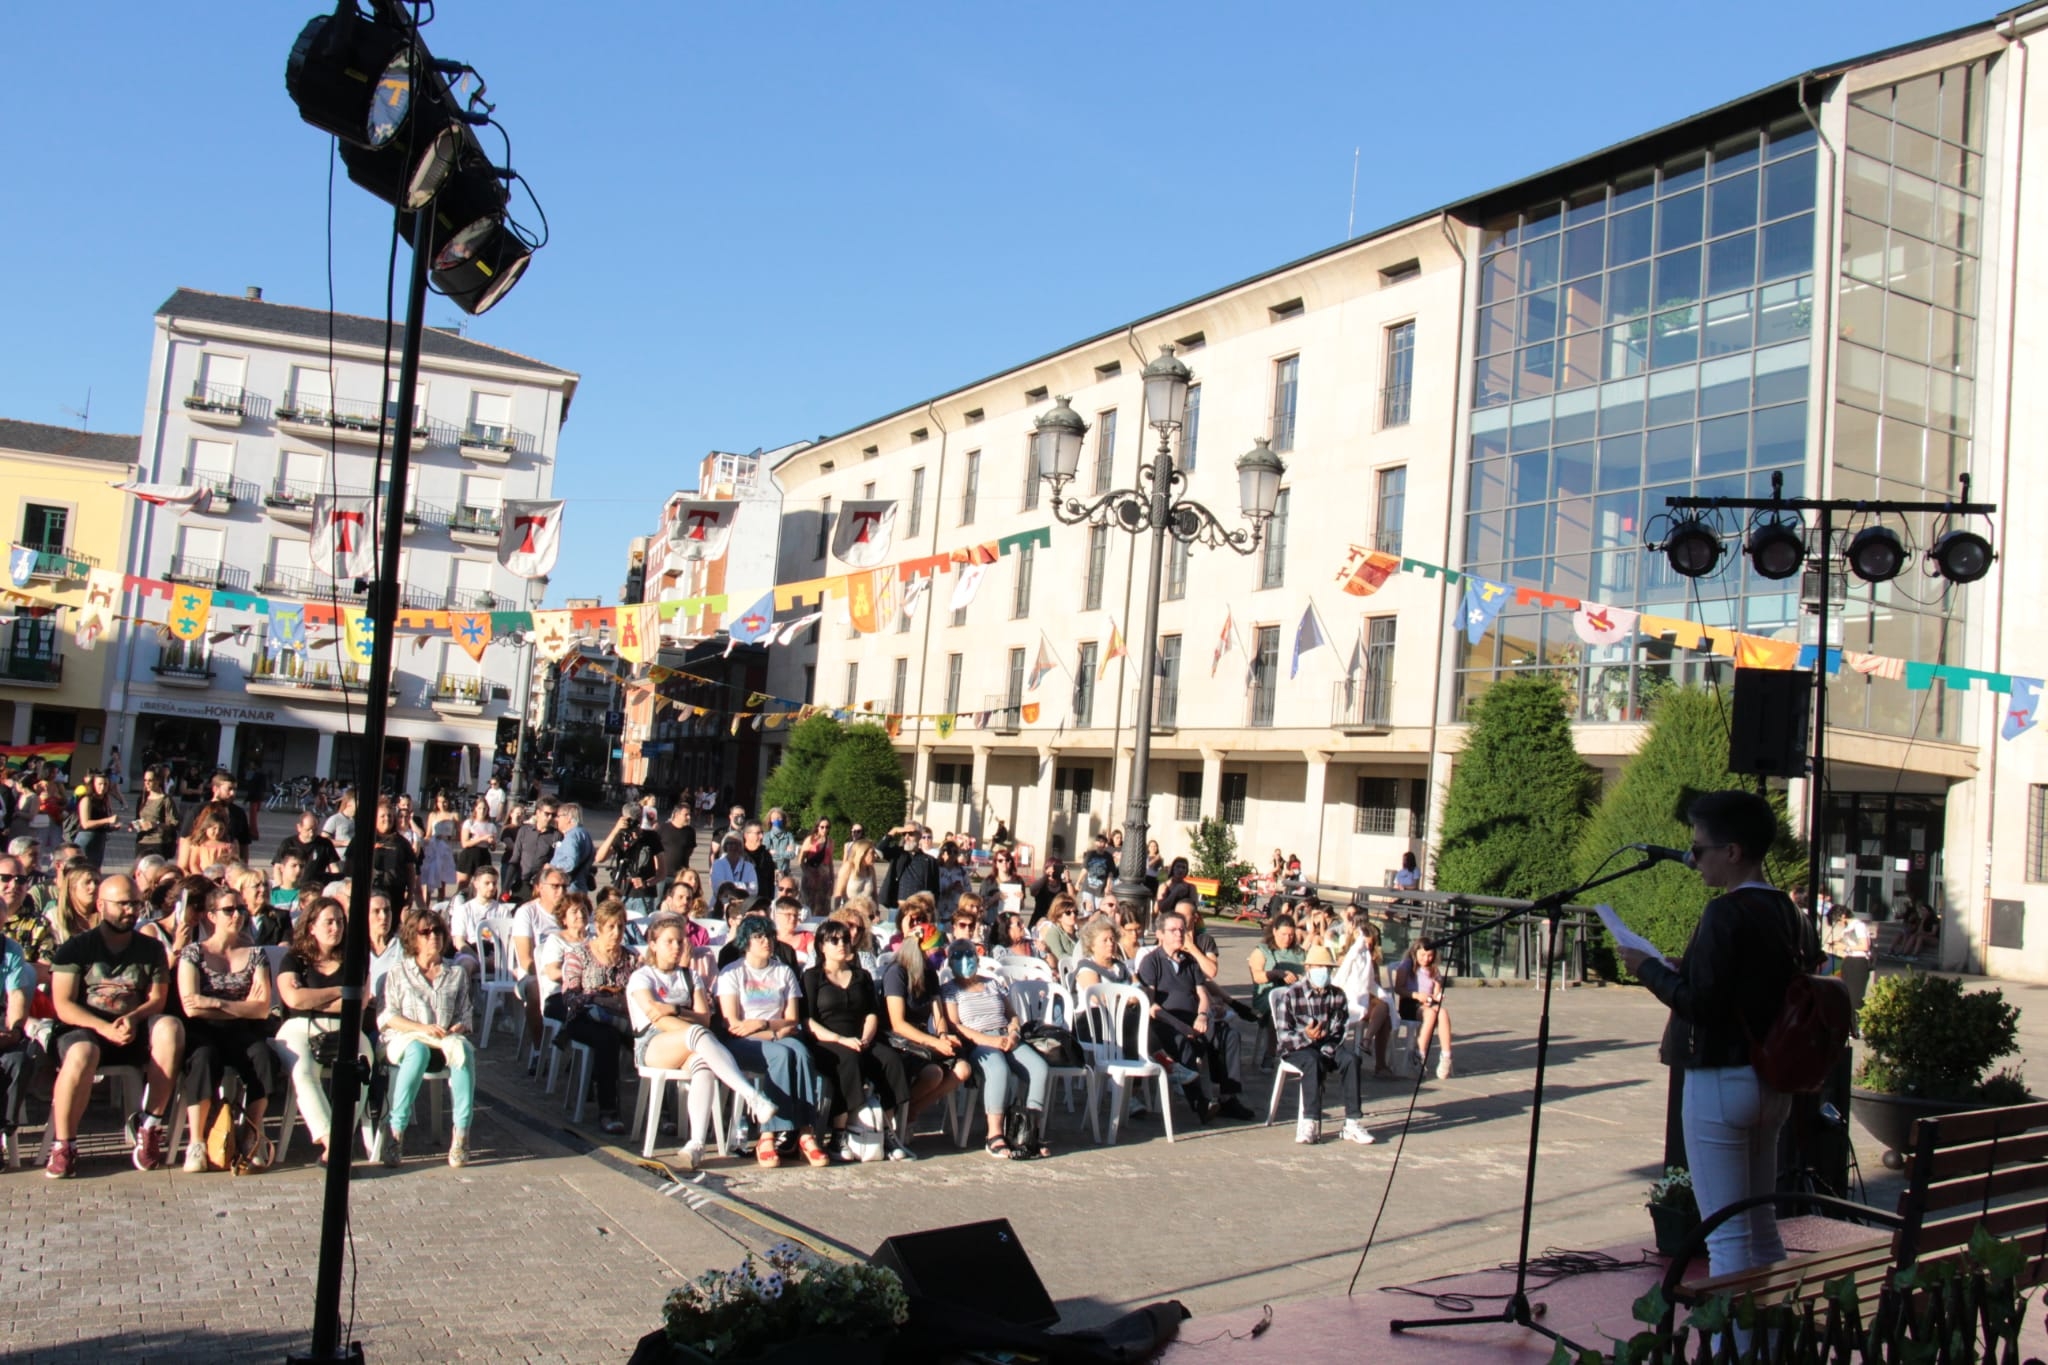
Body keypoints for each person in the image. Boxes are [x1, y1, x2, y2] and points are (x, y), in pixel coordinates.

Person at [1623, 789, 1816, 1283]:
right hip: (1771, 1080)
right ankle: (1770, 1345)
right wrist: (1683, 969)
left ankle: (1736, 1349)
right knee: (1761, 1228)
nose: (1693, 858)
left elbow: (1700, 1005)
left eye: (1700, 848)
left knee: (1725, 1239)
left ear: (1732, 852)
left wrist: (1647, 969)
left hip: (1721, 1082)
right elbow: (1751, 985)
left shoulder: (1724, 912)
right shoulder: (1790, 913)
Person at [46, 874, 186, 1176]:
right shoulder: (76, 948)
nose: (130, 910)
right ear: (101, 905)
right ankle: (64, 1144)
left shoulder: (150, 948)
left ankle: (150, 1126)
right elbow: (64, 1005)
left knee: (170, 1028)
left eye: (135, 904)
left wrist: (133, 1018)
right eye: (122, 904)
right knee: (82, 1052)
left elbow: (157, 999)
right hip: (85, 1029)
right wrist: (103, 1027)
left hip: (133, 1027)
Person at [628, 917, 777, 1170]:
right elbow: (655, 1015)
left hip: (692, 1042)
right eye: (669, 942)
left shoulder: (690, 977)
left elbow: (704, 1017)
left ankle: (696, 1143)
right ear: (653, 945)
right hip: (653, 1044)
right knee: (698, 1036)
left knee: (704, 1061)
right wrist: (682, 1017)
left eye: (680, 941)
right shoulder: (643, 977)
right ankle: (750, 1095)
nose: (676, 946)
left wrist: (673, 1008)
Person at [176, 884, 278, 1171]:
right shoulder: (193, 954)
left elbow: (261, 1008)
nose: (237, 915)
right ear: (211, 915)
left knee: (263, 1058)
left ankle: (252, 1133)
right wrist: (239, 1005)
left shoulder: (255, 954)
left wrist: (217, 1003)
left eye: (240, 909)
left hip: (244, 1030)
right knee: (203, 1058)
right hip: (204, 1030)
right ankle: (196, 1141)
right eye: (229, 910)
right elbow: (191, 1007)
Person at [715, 914, 831, 1167]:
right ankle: (768, 1134)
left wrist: (765, 1025)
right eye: (758, 937)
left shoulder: (783, 972)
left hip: (776, 1033)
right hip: (744, 1042)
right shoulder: (731, 973)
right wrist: (771, 1033)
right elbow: (733, 1024)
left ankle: (805, 1132)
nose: (765, 941)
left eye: (768, 935)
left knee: (801, 1053)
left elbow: (792, 1019)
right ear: (747, 941)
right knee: (782, 1054)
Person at [274, 896, 372, 1165]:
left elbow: (358, 1003)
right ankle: (333, 1141)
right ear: (311, 927)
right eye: (328, 922)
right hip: (299, 1027)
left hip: (345, 1027)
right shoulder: (294, 959)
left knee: (362, 1066)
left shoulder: (355, 958)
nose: (335, 928)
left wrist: (313, 996)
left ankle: (340, 1140)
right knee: (304, 1070)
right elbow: (293, 1000)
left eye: (340, 922)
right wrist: (338, 991)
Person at [803, 918, 913, 1160]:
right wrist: (841, 1039)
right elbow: (808, 1021)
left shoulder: (861, 976)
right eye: (834, 940)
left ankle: (886, 1130)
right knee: (848, 1061)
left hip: (861, 1037)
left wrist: (865, 1037)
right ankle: (839, 1134)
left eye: (844, 939)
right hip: (828, 1040)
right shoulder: (812, 977)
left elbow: (872, 1012)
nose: (842, 944)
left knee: (890, 1060)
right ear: (822, 946)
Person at [378, 908, 476, 1168]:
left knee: (463, 1051)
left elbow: (466, 1014)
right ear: (413, 938)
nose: (433, 936)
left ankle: (461, 1133)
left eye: (438, 931)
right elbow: (389, 1016)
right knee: (417, 1052)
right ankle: (396, 1131)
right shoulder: (399, 972)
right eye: (425, 932)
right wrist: (421, 1029)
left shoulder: (455, 974)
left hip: (443, 1040)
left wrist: (457, 1028)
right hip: (407, 1037)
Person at [942, 938, 1052, 1159]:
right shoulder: (950, 990)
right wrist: (989, 1041)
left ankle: (1028, 1131)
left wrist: (1013, 1031)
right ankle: (994, 1134)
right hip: (978, 1041)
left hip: (1006, 1036)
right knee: (998, 1069)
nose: (964, 960)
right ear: (950, 962)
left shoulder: (992, 983)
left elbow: (1011, 1013)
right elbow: (956, 1025)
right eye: (958, 956)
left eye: (969, 954)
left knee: (1039, 1068)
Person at [1270, 945, 1376, 1146]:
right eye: (1319, 966)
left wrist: (1327, 1046)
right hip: (1297, 1049)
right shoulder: (1291, 994)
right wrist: (1306, 1036)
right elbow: (1283, 1036)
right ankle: (1310, 1121)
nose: (1323, 972)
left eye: (1327, 968)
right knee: (1312, 1060)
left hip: (1327, 1046)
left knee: (1351, 1060)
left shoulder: (1337, 995)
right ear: (1308, 967)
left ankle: (1352, 1122)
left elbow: (1340, 1030)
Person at [1138, 911, 1234, 1123]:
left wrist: (1202, 1015)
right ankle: (1200, 1103)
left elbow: (1202, 994)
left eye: (1182, 930)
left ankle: (1230, 1097)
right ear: (1160, 934)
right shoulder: (1151, 962)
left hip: (1194, 1019)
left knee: (1227, 1036)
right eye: (1173, 930)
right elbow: (1150, 1005)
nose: (1179, 934)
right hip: (1166, 1022)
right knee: (1181, 1043)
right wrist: (1179, 1025)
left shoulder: (1189, 961)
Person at [556, 900, 638, 1134]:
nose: (616, 933)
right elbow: (569, 996)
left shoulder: (630, 958)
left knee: (649, 1040)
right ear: (599, 927)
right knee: (607, 1039)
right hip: (585, 1017)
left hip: (623, 1018)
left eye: (621, 927)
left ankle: (661, 1110)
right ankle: (608, 1110)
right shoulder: (580, 955)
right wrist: (598, 998)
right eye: (611, 927)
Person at [513, 872, 571, 1055]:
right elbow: (526, 959)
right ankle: (539, 1050)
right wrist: (548, 978)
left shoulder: (572, 912)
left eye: (564, 887)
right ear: (540, 888)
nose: (561, 891)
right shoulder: (527, 912)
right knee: (535, 988)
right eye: (555, 886)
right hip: (534, 975)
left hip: (567, 973)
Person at [0, 920, 39, 1162]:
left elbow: (16, 995)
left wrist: (14, 1030)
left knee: (19, 1059)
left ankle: (4, 1130)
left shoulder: (9, 949)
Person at [1390, 936, 1454, 1078]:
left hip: (1428, 1003)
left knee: (1442, 1012)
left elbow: (1436, 992)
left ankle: (1446, 1056)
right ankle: (1420, 1054)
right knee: (1430, 1014)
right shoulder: (1408, 964)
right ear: (1415, 953)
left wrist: (1437, 997)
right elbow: (1398, 988)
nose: (1426, 959)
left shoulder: (1434, 970)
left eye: (1430, 955)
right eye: (1423, 955)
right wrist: (1418, 996)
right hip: (1411, 1002)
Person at [1248, 914, 1307, 1023]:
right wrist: (1277, 973)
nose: (1287, 939)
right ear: (1275, 931)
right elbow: (1257, 976)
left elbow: (1309, 975)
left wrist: (1300, 978)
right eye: (1283, 934)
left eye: (1291, 935)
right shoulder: (1262, 951)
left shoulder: (1300, 953)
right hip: (1269, 999)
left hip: (1295, 998)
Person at [369, 798, 424, 913]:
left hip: (394, 893)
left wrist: (409, 895)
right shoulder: (365, 839)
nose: (387, 819)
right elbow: (350, 867)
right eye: (383, 816)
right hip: (369, 893)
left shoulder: (401, 842)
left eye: (390, 816)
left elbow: (410, 870)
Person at [1824, 903, 1874, 1013]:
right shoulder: (1847, 929)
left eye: (1838, 921)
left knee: (1854, 998)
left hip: (1858, 962)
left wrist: (1845, 947)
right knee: (1845, 997)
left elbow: (1865, 946)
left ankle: (1856, 1026)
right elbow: (1843, 940)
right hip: (1848, 961)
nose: (1839, 924)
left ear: (1843, 916)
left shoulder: (1859, 926)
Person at [274, 810, 342, 890]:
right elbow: (277, 867)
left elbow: (334, 868)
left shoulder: (325, 844)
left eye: (315, 830)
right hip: (292, 888)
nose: (311, 833)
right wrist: (280, 887)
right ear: (299, 827)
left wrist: (336, 885)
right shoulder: (288, 843)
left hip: (316, 889)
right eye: (308, 830)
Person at [880, 825, 939, 910]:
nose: (906, 837)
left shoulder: (930, 861)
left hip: (920, 908)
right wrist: (894, 831)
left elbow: (935, 889)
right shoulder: (898, 854)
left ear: (919, 836)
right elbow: (879, 850)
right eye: (904, 834)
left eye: (910, 834)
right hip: (899, 907)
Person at [132, 766, 181, 865]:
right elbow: (138, 818)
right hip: (142, 840)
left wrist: (156, 824)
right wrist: (134, 825)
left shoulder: (166, 800)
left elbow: (175, 823)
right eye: (145, 780)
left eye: (150, 780)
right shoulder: (142, 799)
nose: (147, 783)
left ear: (158, 781)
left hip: (158, 842)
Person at [71, 771, 118, 872]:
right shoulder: (87, 799)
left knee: (95, 870)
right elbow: (85, 824)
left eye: (105, 784)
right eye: (100, 784)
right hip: (86, 839)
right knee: (82, 869)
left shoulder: (104, 800)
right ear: (93, 784)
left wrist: (110, 827)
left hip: (99, 839)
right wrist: (108, 820)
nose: (103, 787)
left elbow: (100, 822)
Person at [549, 803, 597, 893]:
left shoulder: (571, 836)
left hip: (569, 887)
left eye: (559, 816)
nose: (556, 819)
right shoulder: (583, 833)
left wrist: (552, 867)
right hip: (580, 885)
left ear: (568, 818)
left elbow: (570, 863)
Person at [456, 796, 499, 892]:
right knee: (463, 885)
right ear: (475, 809)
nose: (482, 811)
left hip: (484, 854)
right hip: (469, 854)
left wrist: (492, 842)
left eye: (484, 808)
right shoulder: (469, 823)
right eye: (480, 808)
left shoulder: (491, 826)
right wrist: (482, 838)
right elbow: (465, 843)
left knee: (482, 886)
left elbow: (493, 848)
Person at [179, 808, 239, 877]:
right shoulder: (199, 845)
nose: (217, 832)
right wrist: (202, 877)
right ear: (206, 828)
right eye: (214, 828)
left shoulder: (229, 846)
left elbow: (233, 864)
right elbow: (193, 864)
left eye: (221, 829)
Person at [798, 818, 835, 917]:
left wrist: (832, 880)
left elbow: (830, 862)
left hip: (824, 875)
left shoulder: (830, 842)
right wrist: (807, 873)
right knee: (808, 902)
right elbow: (801, 860)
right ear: (817, 827)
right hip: (811, 873)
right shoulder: (810, 840)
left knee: (822, 904)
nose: (824, 829)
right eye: (822, 827)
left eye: (827, 827)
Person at [656, 800, 699, 886]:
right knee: (659, 899)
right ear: (676, 815)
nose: (689, 817)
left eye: (689, 814)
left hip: (680, 875)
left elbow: (690, 851)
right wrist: (657, 868)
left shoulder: (690, 832)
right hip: (662, 874)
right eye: (686, 815)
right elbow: (655, 850)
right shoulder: (663, 828)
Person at [709, 836, 760, 904]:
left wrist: (729, 886)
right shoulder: (717, 864)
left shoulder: (749, 866)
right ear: (725, 846)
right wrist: (745, 885)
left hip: (743, 904)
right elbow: (718, 887)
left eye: (737, 844)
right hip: (720, 904)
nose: (734, 846)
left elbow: (754, 889)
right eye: (730, 843)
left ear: (741, 847)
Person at [834, 836, 879, 907]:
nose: (875, 856)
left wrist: (877, 912)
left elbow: (874, 894)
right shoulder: (848, 867)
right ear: (862, 853)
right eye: (872, 853)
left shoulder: (870, 869)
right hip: (850, 911)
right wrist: (837, 914)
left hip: (868, 912)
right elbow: (839, 893)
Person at [1036, 895, 1080, 967]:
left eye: (1075, 912)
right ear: (1059, 917)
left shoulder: (1079, 933)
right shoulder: (1054, 932)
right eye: (1068, 913)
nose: (1073, 915)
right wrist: (1081, 960)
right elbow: (1060, 956)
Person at [1080, 834, 1116, 912]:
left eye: (1103, 842)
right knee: (1088, 911)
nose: (1100, 844)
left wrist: (1108, 886)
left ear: (1105, 844)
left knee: (1099, 911)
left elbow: (1110, 873)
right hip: (1088, 888)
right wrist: (1078, 882)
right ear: (1095, 843)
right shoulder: (1090, 854)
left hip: (1100, 889)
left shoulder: (1108, 857)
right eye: (1099, 842)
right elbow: (1084, 869)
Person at [1028, 858, 1070, 925]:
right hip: (1039, 920)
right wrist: (1046, 875)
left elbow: (1072, 897)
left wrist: (1068, 880)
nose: (1053, 871)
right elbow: (1032, 890)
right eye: (1050, 868)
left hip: (1057, 921)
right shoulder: (1042, 884)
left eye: (1056, 868)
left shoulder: (1064, 885)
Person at [322, 788, 357, 859]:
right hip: (340, 860)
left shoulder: (357, 820)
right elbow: (323, 840)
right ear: (349, 803)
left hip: (354, 860)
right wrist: (345, 843)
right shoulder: (335, 819)